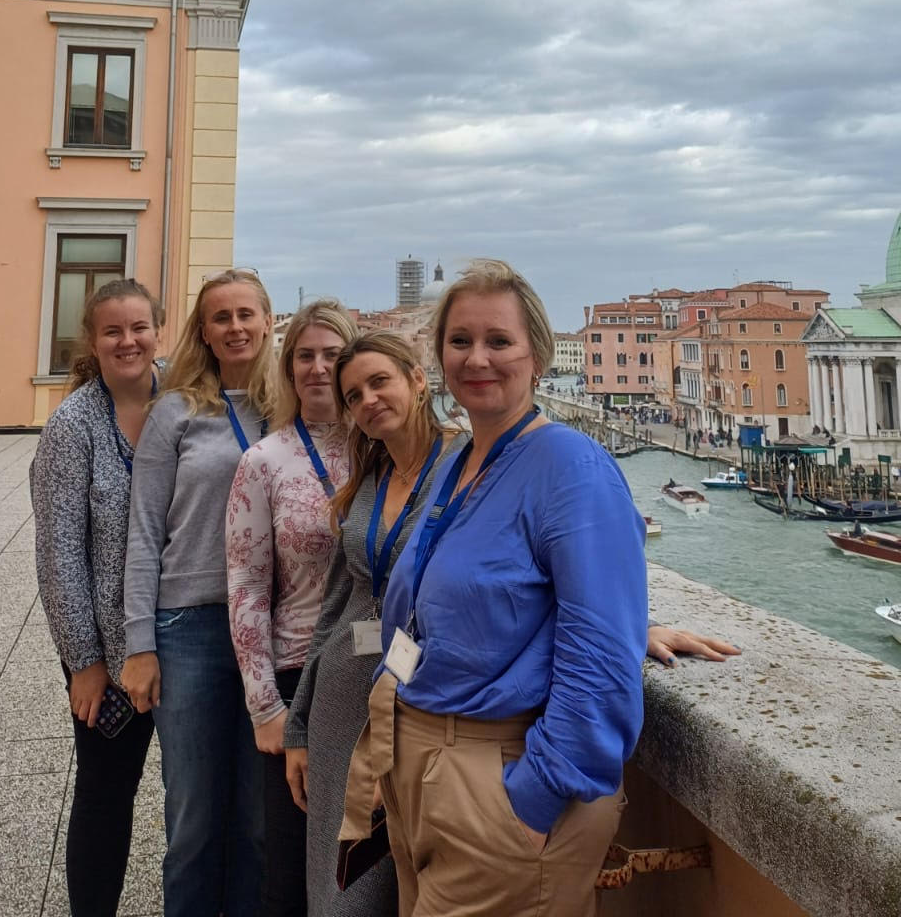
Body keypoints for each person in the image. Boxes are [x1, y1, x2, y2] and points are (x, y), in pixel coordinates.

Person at [342, 260, 649, 917]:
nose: (476, 358)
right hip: (421, 773)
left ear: (536, 355)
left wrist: (530, 803)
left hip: (497, 789)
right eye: (460, 341)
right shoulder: (459, 460)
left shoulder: (573, 467)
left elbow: (602, 654)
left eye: (498, 341)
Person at [284, 332, 458, 917]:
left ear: (417, 378)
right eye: (354, 396)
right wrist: (299, 726)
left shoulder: (466, 464)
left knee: (407, 886)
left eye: (379, 382)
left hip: (420, 704)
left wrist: (634, 626)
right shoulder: (371, 475)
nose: (368, 401)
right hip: (342, 704)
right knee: (338, 888)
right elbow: (335, 606)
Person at [121, 269, 273, 917]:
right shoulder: (176, 412)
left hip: (269, 628)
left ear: (268, 321)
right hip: (189, 627)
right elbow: (143, 530)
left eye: (246, 314)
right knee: (193, 818)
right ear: (204, 332)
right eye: (221, 317)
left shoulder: (289, 409)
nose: (235, 327)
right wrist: (138, 643)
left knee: (259, 820)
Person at [31, 277, 163, 917]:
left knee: (200, 790)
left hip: (188, 635)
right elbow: (58, 553)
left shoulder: (185, 403)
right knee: (107, 791)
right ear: (92, 340)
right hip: (108, 652)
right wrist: (83, 661)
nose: (127, 341)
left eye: (139, 327)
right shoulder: (72, 427)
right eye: (113, 330)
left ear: (158, 331)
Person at [225, 300, 356, 917]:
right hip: (299, 676)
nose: (318, 367)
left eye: (332, 354)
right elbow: (246, 588)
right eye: (305, 355)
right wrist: (265, 709)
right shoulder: (263, 462)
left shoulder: (387, 448)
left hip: (384, 675)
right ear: (288, 367)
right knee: (292, 864)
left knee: (369, 863)